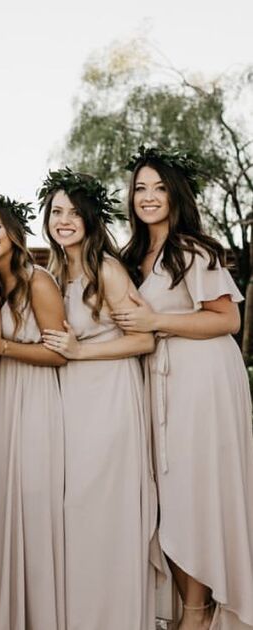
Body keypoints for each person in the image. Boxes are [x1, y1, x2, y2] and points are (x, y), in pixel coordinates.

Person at [114, 146, 253, 630]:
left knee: (193, 492)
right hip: (157, 381)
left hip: (201, 382)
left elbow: (227, 319)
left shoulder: (195, 250)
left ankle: (197, 611)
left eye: (159, 187)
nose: (148, 197)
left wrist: (156, 321)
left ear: (176, 195)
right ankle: (188, 605)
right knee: (165, 497)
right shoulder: (132, 257)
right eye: (140, 188)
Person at [38, 168, 160, 629]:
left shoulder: (106, 269)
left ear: (91, 218)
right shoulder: (55, 271)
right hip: (72, 402)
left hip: (109, 399)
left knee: (103, 506)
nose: (63, 221)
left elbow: (143, 340)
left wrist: (80, 352)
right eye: (56, 212)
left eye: (74, 213)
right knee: (76, 510)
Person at [0, 193, 67, 630]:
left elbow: (59, 353)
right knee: (1, 506)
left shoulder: (37, 280)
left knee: (33, 503)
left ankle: (39, 615)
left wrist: (3, 346)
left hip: (34, 398)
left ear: (13, 231)